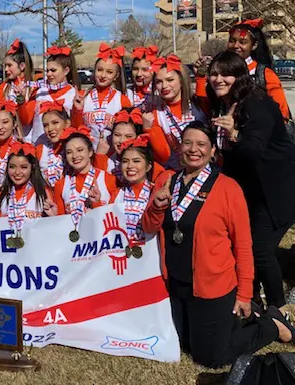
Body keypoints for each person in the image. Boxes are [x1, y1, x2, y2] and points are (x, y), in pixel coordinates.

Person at [140, 121, 295, 368]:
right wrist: (157, 205)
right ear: (179, 147)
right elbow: (148, 227)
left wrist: (244, 293)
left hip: (213, 286)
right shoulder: (169, 181)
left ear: (213, 150)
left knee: (210, 357)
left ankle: (270, 326)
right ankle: (242, 318)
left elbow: (243, 246)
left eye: (201, 144)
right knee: (183, 345)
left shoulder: (228, 189)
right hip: (178, 284)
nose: (194, 149)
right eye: (188, 143)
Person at [206, 51, 295, 307]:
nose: (218, 79)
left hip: (277, 190)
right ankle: (253, 299)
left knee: (261, 250)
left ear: (240, 77)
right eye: (214, 74)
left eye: (226, 74)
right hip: (250, 189)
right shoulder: (223, 102)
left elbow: (254, 150)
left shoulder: (258, 103)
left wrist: (234, 133)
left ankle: (278, 309)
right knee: (245, 246)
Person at [194, 18, 290, 120]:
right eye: (232, 41)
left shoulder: (265, 74)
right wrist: (200, 77)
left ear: (254, 45)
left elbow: (282, 114)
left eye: (243, 42)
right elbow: (205, 110)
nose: (236, 46)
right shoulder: (219, 72)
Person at [143, 55, 206, 171]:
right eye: (159, 82)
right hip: (178, 173)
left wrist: (201, 77)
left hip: (206, 169)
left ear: (181, 80)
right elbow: (164, 156)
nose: (164, 86)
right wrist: (149, 130)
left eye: (170, 80)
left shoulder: (197, 103)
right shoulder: (156, 114)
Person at [0, 142, 55, 247]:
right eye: (12, 167)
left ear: (32, 167)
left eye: (23, 167)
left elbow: (55, 231)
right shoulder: (1, 194)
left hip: (35, 255)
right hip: (8, 255)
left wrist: (54, 217)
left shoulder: (43, 192)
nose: (17, 172)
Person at [18, 45, 80, 145]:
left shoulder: (74, 95)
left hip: (62, 149)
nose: (49, 74)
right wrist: (21, 101)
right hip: (39, 148)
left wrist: (78, 110)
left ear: (66, 71)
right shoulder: (39, 91)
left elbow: (76, 127)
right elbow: (25, 121)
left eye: (53, 70)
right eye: (47, 70)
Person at [51, 126, 117, 219]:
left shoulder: (108, 179)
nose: (75, 156)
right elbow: (61, 223)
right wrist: (53, 217)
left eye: (80, 150)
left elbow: (114, 218)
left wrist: (96, 204)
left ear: (90, 152)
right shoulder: (60, 185)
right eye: (69, 152)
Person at [74, 43, 132, 148]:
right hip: (87, 156)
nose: (103, 75)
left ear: (116, 76)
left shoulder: (122, 100)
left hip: (112, 156)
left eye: (109, 72)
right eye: (99, 70)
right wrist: (78, 111)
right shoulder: (82, 96)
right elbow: (76, 129)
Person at [94, 107, 166, 182]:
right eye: (117, 135)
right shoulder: (106, 162)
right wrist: (99, 157)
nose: (121, 141)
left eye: (128, 136)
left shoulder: (149, 165)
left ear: (138, 137)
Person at [0, 39, 34, 136]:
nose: (6, 69)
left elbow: (26, 121)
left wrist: (21, 101)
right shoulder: (4, 87)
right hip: (8, 141)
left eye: (9, 65)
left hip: (29, 141)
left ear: (22, 66)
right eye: (5, 66)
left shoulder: (33, 87)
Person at [35, 101, 69, 187]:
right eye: (45, 125)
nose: (50, 128)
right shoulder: (41, 147)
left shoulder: (74, 146)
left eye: (55, 123)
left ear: (67, 124)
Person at [128, 45, 159, 111]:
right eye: (135, 69)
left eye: (144, 70)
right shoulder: (126, 92)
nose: (139, 74)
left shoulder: (159, 93)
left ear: (153, 71)